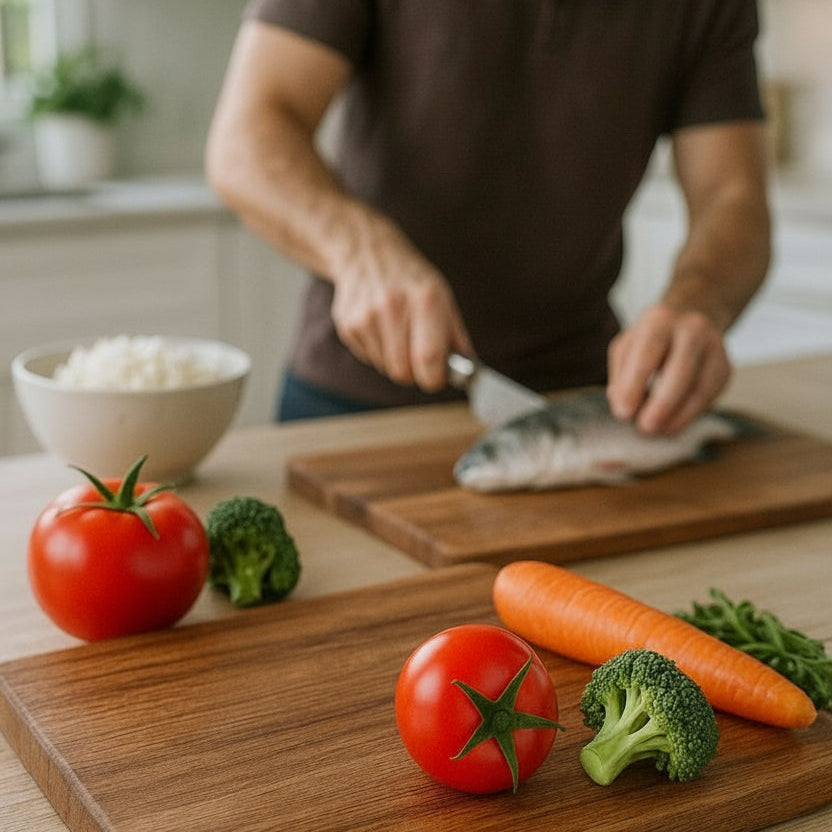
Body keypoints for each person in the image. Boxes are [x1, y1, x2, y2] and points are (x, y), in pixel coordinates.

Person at [206, 1, 771, 434]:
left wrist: (697, 304)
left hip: (583, 402)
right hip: (351, 401)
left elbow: (733, 195)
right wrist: (360, 250)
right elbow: (245, 139)